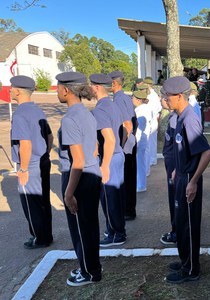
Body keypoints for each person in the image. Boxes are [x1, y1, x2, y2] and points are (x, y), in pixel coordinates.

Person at [162, 76, 210, 283]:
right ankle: (185, 260)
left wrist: (192, 181)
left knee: (188, 225)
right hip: (182, 175)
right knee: (181, 222)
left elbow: (206, 152)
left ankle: (192, 269)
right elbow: (183, 150)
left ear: (180, 96)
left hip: (190, 178)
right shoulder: (180, 116)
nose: (165, 99)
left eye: (168, 96)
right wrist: (177, 170)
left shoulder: (190, 118)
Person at [56, 71, 102, 286]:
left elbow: (77, 161)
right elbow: (94, 147)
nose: (57, 91)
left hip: (79, 178)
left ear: (66, 90)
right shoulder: (86, 113)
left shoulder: (70, 118)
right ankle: (90, 267)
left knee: (81, 230)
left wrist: (68, 192)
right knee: (89, 227)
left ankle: (89, 273)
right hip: (92, 175)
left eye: (58, 87)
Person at [10, 75, 53, 249]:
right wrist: (45, 154)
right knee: (43, 201)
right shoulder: (37, 110)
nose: (10, 90)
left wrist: (24, 169)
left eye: (12, 87)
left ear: (18, 91)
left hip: (30, 164)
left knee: (31, 202)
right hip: (42, 159)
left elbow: (25, 144)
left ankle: (39, 238)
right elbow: (49, 136)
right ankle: (46, 235)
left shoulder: (20, 114)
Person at [90, 74, 126, 247]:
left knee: (109, 199)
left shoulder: (100, 110)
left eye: (91, 85)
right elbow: (124, 130)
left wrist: (104, 165)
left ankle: (116, 234)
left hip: (109, 157)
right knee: (115, 197)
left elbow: (109, 139)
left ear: (97, 87)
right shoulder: (112, 105)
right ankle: (117, 230)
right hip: (117, 155)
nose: (89, 88)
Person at [109, 71, 138, 221]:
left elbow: (127, 124)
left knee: (126, 178)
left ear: (114, 83)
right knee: (129, 177)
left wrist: (121, 145)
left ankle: (127, 210)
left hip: (126, 144)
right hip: (130, 142)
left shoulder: (119, 99)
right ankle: (129, 209)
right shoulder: (124, 97)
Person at [159, 93, 178, 245]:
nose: (162, 100)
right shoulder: (173, 116)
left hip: (174, 164)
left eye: (164, 97)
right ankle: (176, 228)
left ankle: (177, 231)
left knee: (176, 199)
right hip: (170, 162)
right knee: (173, 198)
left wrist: (176, 167)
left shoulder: (176, 118)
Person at [132, 89, 152, 193]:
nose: (132, 100)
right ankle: (141, 184)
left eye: (133, 98)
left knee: (139, 163)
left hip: (139, 139)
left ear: (138, 100)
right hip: (143, 138)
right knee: (141, 162)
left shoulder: (141, 110)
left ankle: (140, 185)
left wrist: (135, 142)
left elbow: (139, 128)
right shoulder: (144, 108)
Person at [143, 77, 162, 170]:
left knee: (149, 141)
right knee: (152, 141)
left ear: (148, 85)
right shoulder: (153, 95)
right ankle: (152, 159)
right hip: (154, 119)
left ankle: (151, 160)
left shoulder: (151, 96)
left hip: (151, 119)